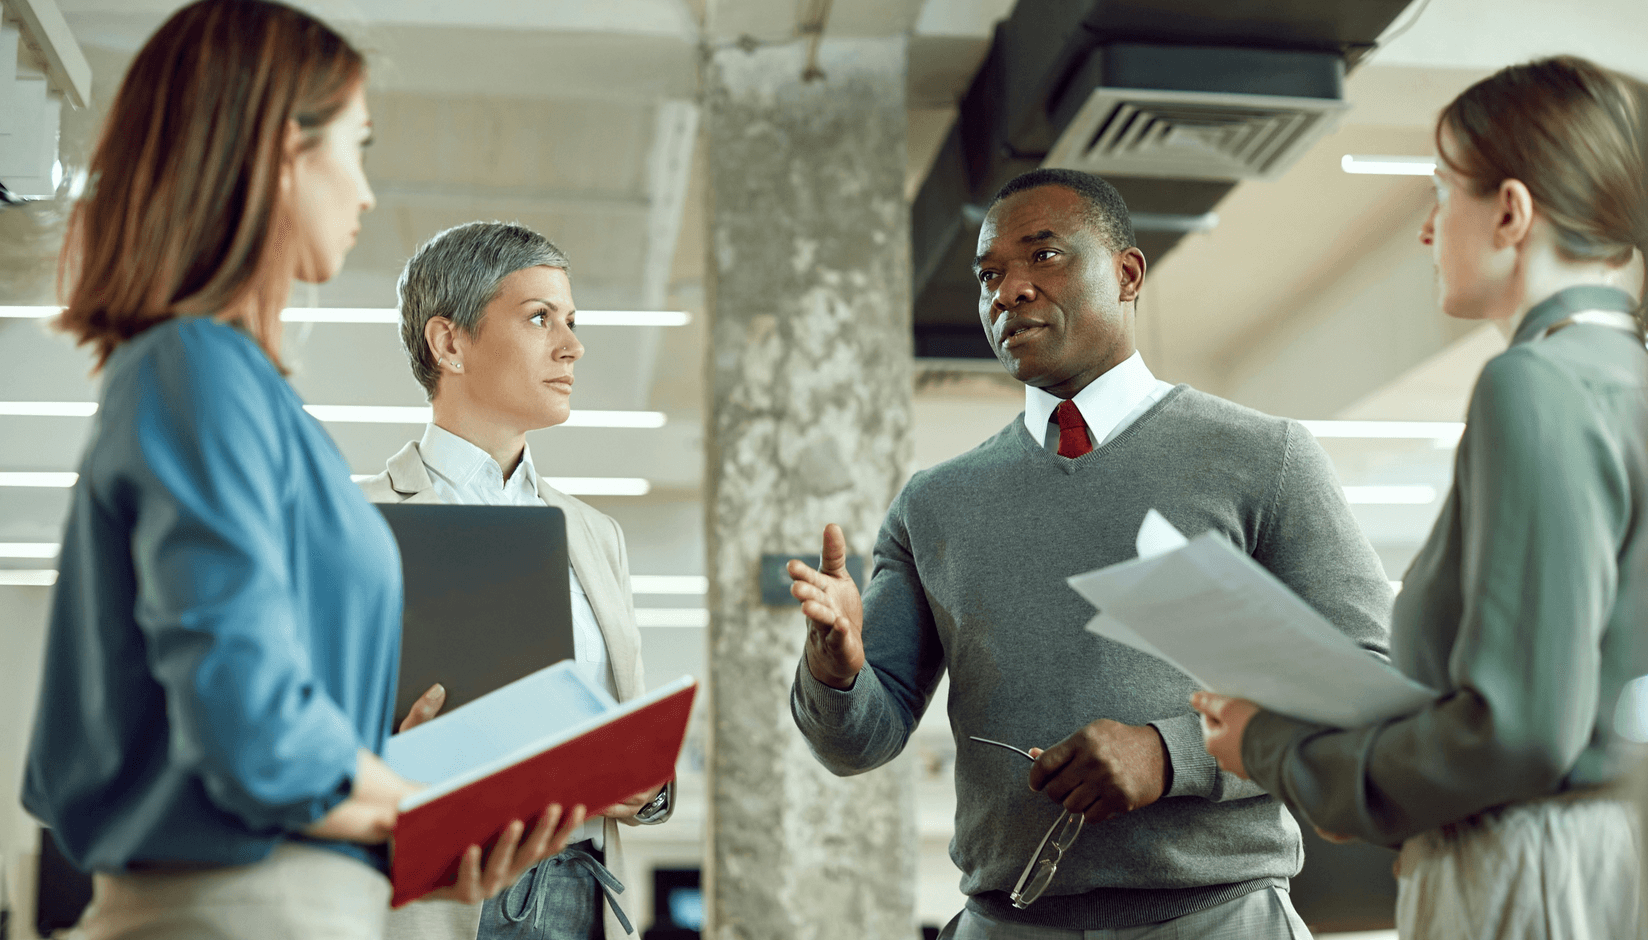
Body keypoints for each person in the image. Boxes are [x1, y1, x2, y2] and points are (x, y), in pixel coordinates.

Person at [21, 4, 581, 938]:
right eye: (355, 148)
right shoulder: (193, 369)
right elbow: (250, 722)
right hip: (232, 911)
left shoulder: (248, 395)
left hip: (308, 900)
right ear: (283, 152)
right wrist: (415, 808)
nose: (365, 193)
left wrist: (405, 842)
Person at [787, 166, 1393, 939]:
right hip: (1006, 923)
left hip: (1217, 918)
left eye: (1044, 256)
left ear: (1128, 274)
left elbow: (1364, 695)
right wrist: (834, 671)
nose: (1009, 291)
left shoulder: (1263, 459)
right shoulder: (934, 503)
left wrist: (1171, 756)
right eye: (988, 275)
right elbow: (857, 742)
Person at [1194, 55, 1648, 940]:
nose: (1428, 229)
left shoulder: (1536, 383)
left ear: (1510, 212)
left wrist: (1276, 747)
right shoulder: (1623, 375)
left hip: (1531, 873)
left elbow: (1518, 731)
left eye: (1441, 191)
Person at [363, 220, 672, 940]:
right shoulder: (352, 522)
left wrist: (651, 787)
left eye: (571, 321)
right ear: (449, 343)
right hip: (440, 901)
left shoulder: (596, 535)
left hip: (582, 893)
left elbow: (625, 725)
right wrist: (391, 756)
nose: (572, 346)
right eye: (539, 318)